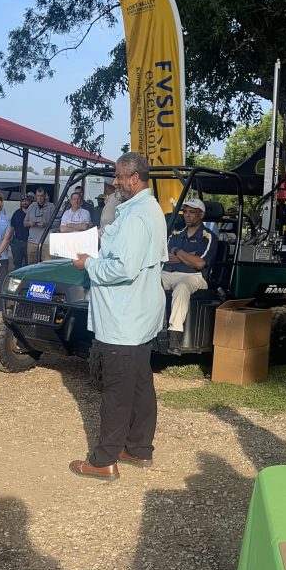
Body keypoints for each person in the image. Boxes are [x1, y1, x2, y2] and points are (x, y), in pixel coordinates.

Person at [69, 155, 169, 480]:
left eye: (119, 177)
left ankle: (104, 460)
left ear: (134, 178)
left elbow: (124, 268)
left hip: (124, 319)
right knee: (139, 385)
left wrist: (89, 264)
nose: (115, 182)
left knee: (116, 391)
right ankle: (138, 448)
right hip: (137, 316)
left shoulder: (138, 216)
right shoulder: (145, 209)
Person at [162, 197, 213, 335]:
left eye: (192, 212)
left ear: (201, 215)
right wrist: (189, 256)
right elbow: (165, 257)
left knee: (182, 287)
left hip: (194, 276)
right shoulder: (176, 234)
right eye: (185, 212)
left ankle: (175, 333)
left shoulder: (207, 236)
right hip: (169, 273)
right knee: (148, 280)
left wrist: (177, 251)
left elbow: (199, 263)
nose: (187, 215)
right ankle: (149, 327)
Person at [23, 188, 57, 263]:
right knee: (31, 265)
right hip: (32, 242)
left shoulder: (51, 206)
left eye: (41, 196)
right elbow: (25, 223)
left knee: (47, 265)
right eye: (38, 196)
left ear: (45, 196)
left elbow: (57, 222)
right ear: (36, 196)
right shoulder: (31, 207)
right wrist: (29, 223)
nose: (40, 198)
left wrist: (46, 224)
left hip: (46, 242)